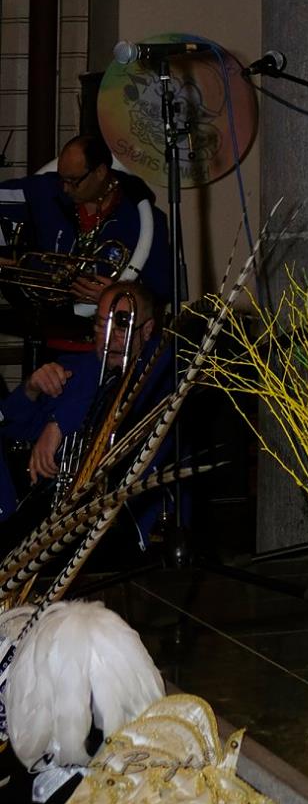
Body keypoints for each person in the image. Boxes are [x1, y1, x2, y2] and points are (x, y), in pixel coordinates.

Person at [0, 285, 170, 519]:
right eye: (101, 325)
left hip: (136, 517)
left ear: (148, 329)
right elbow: (11, 428)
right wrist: (31, 389)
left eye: (122, 326)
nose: (110, 337)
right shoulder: (73, 370)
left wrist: (59, 423)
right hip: (64, 521)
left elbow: (128, 389)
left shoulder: (164, 367)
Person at [0, 133, 172, 340]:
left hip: (109, 338)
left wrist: (117, 295)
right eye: (62, 179)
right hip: (48, 330)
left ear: (100, 172)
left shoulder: (144, 220)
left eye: (74, 181)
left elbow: (160, 290)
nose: (65, 188)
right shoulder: (46, 190)